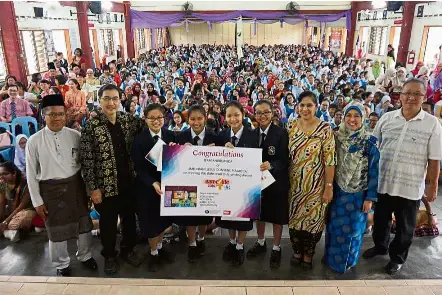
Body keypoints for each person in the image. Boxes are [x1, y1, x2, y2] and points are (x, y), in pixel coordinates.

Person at [363, 78, 442, 275]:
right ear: (401, 95)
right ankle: (380, 246)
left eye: (416, 94)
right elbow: (373, 144)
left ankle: (397, 257)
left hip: (410, 186)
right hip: (384, 181)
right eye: (407, 93)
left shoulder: (432, 124)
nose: (411, 98)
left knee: (405, 227)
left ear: (424, 97)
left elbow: (434, 159)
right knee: (381, 221)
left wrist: (432, 186)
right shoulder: (387, 118)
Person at [26, 94, 96, 276]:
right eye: (52, 114)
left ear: (66, 115)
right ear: (43, 115)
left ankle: (85, 256)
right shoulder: (34, 141)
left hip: (76, 187)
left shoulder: (76, 136)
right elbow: (31, 174)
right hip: (50, 191)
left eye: (60, 114)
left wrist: (89, 191)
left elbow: (85, 167)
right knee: (55, 230)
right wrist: (37, 202)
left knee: (84, 225)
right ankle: (61, 263)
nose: (57, 118)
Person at [80, 84, 144, 274]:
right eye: (106, 98)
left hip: (128, 182)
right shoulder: (91, 126)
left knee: (129, 219)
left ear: (120, 99)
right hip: (105, 186)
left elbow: (150, 125)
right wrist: (93, 188)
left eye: (115, 98)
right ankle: (109, 255)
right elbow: (87, 158)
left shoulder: (128, 120)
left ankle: (128, 249)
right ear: (99, 101)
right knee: (108, 223)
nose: (111, 103)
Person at [323, 102, 380, 273]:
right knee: (334, 227)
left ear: (363, 119)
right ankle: (330, 259)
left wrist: (370, 198)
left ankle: (346, 262)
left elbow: (374, 172)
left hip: (358, 195)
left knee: (353, 230)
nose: (352, 119)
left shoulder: (369, 143)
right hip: (337, 192)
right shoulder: (336, 137)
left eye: (356, 116)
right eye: (348, 115)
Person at [286, 91, 336, 269]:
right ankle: (297, 252)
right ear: (297, 107)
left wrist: (328, 186)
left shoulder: (325, 128)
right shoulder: (291, 126)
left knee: (313, 222)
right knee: (295, 220)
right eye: (302, 105)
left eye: (309, 105)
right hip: (293, 185)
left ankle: (308, 255)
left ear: (316, 107)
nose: (305, 109)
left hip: (317, 186)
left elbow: (330, 160)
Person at [131, 103, 176, 272]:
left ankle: (160, 247)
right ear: (145, 119)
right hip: (147, 188)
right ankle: (153, 253)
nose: (156, 121)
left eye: (159, 117)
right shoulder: (139, 139)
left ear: (164, 118)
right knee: (150, 224)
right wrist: (152, 183)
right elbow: (139, 168)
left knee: (163, 221)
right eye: (152, 118)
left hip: (167, 186)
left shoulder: (171, 135)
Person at [246, 99, 289, 269]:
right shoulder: (251, 133)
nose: (262, 116)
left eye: (266, 112)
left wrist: (272, 165)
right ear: (254, 114)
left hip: (277, 182)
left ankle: (276, 248)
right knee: (260, 215)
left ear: (272, 113)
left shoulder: (281, 133)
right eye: (259, 112)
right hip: (257, 183)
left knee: (277, 217)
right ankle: (261, 242)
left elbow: (285, 160)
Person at [216, 101, 259, 267]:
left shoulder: (253, 135)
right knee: (228, 216)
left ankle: (240, 246)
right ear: (224, 118)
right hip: (225, 185)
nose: (233, 119)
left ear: (243, 115)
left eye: (236, 115)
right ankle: (232, 242)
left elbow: (257, 160)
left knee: (242, 217)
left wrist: (239, 154)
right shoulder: (221, 135)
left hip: (246, 186)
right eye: (229, 116)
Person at [174, 105, 218, 263]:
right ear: (188, 120)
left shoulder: (214, 136)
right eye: (192, 119)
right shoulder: (181, 136)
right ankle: (192, 243)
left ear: (205, 119)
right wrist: (178, 150)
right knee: (189, 215)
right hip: (187, 183)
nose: (196, 122)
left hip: (207, 183)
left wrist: (218, 150)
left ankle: (201, 238)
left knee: (204, 215)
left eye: (199, 118)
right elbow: (173, 160)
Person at [0, 162, 36, 242]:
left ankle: (8, 231)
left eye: (5, 174)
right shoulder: (2, 184)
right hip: (11, 209)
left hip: (27, 209)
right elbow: (1, 203)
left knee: (14, 224)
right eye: (0, 175)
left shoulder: (26, 184)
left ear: (14, 173)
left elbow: (21, 206)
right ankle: (9, 232)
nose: (2, 177)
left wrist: (5, 221)